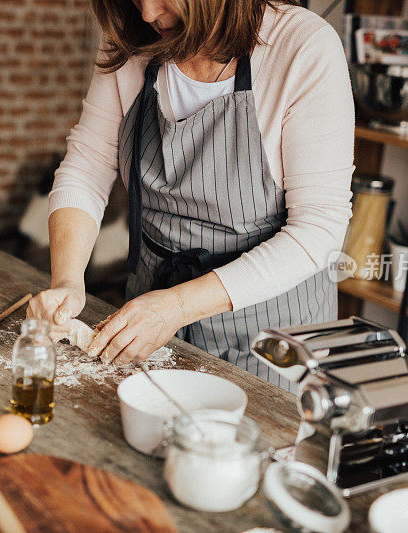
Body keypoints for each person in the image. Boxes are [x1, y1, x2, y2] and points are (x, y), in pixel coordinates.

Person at [27, 0, 354, 391]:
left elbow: (319, 229)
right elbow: (87, 165)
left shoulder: (302, 47)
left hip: (269, 335)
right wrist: (67, 280)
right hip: (149, 313)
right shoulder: (132, 34)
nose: (147, 13)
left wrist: (177, 306)